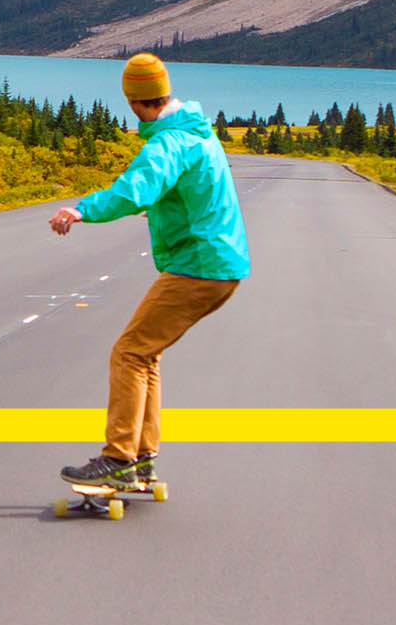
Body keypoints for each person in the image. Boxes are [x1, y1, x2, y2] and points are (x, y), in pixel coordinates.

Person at [46, 52, 249, 508]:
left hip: (198, 266)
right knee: (146, 353)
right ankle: (141, 457)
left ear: (135, 101)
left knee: (129, 352)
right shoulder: (198, 132)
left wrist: (80, 210)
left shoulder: (169, 144)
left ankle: (118, 460)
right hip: (217, 264)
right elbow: (170, 191)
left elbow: (135, 187)